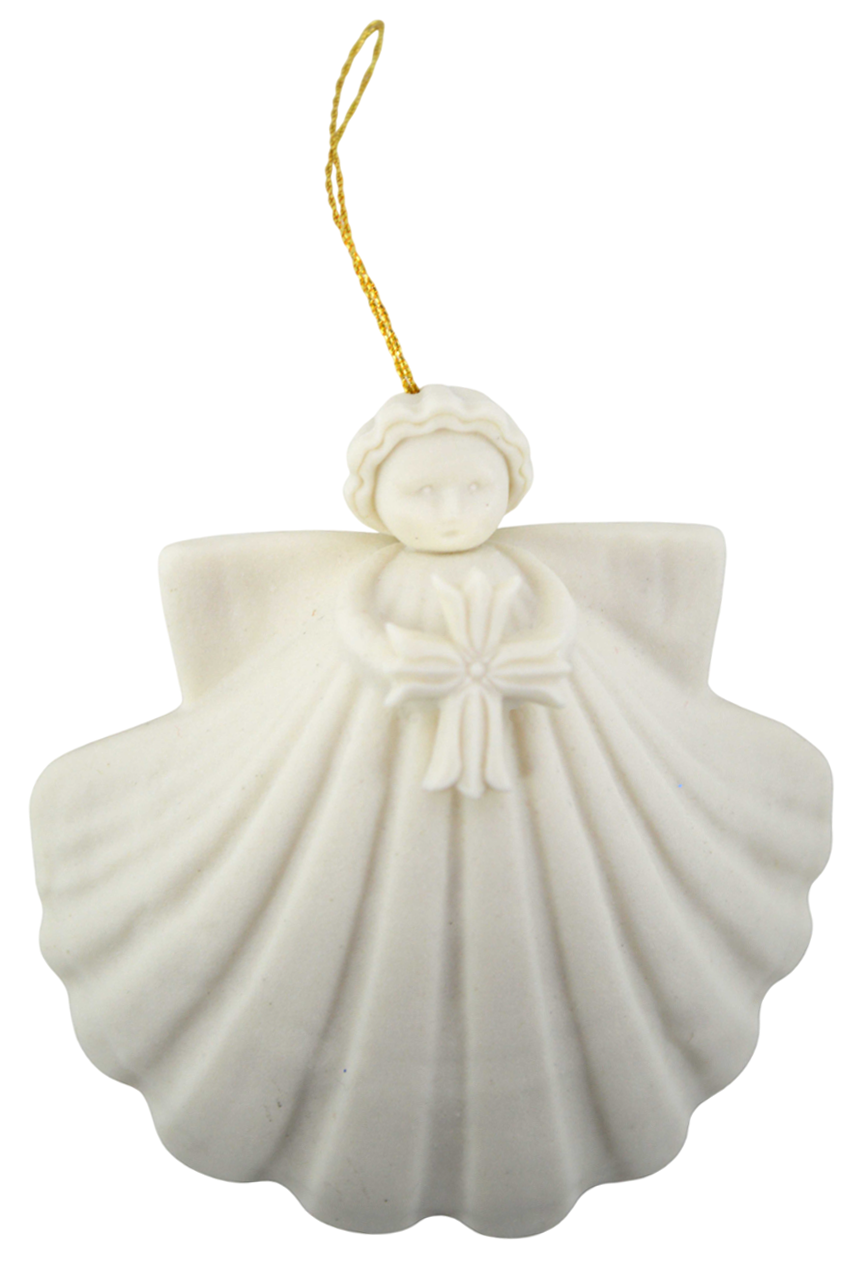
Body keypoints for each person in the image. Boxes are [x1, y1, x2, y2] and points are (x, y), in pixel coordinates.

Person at [31, 385, 831, 1237]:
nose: (452, 511)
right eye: (423, 491)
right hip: (323, 743)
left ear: (511, 487)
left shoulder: (543, 599)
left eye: (475, 488)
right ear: (373, 500)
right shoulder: (356, 603)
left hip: (572, 750)